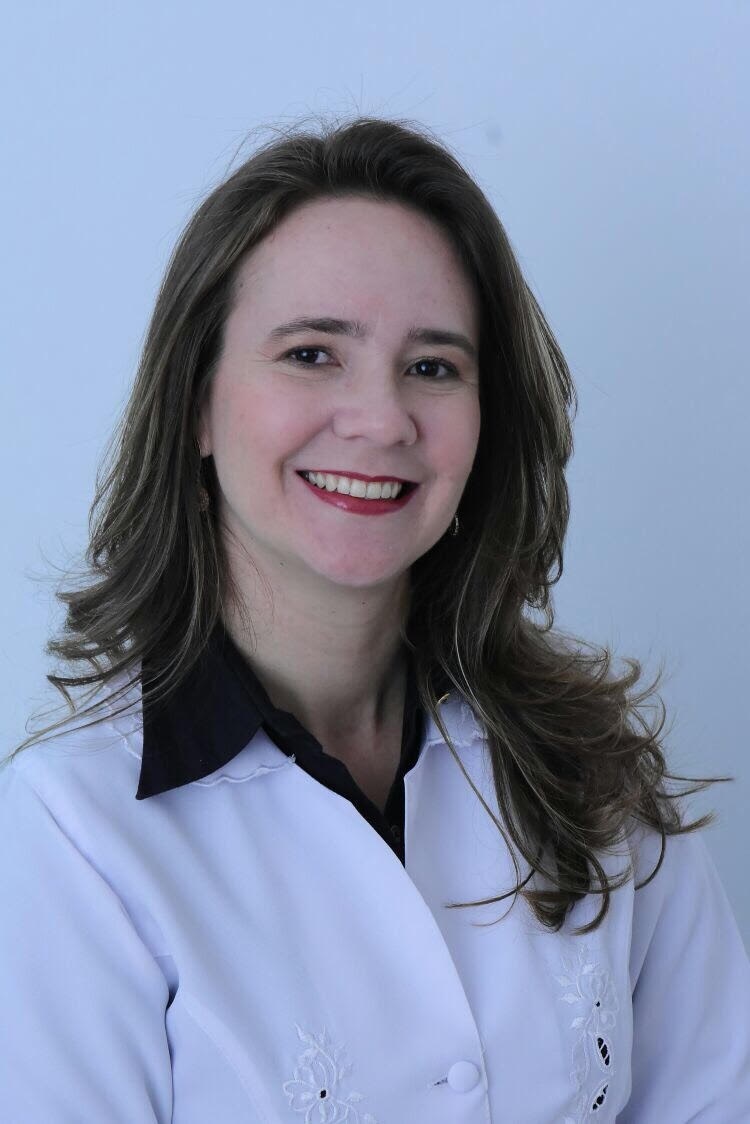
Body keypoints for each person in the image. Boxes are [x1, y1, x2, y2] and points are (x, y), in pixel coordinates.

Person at [1, 115, 748, 1123]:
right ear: (197, 404)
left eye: (432, 366)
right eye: (312, 353)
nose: (381, 418)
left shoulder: (594, 771)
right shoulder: (73, 830)